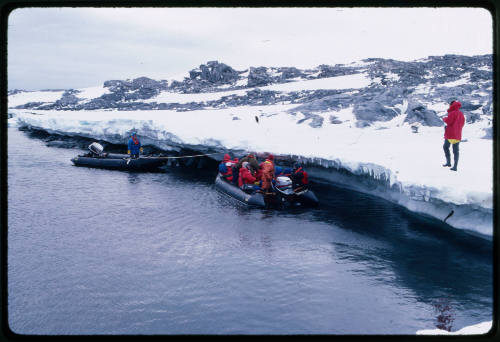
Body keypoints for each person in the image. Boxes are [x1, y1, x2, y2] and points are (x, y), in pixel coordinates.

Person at [442, 100, 465, 171]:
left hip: (450, 134)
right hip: (457, 134)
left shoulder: (452, 113)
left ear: (452, 105)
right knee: (456, 150)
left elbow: (449, 121)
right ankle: (455, 166)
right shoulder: (461, 114)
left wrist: (444, 118)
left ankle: (448, 162)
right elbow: (462, 123)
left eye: (449, 105)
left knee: (446, 147)